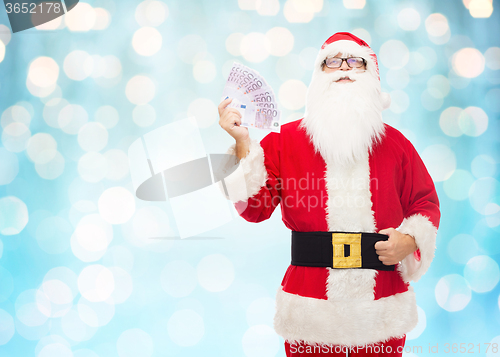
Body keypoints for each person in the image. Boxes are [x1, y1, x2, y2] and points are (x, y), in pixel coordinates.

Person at [218, 32, 440, 357]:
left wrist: (410, 241)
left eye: (355, 62)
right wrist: (241, 144)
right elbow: (254, 209)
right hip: (309, 306)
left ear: (372, 76)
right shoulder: (284, 141)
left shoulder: (397, 145)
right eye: (331, 62)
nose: (343, 69)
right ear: (317, 78)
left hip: (381, 305)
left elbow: (425, 204)